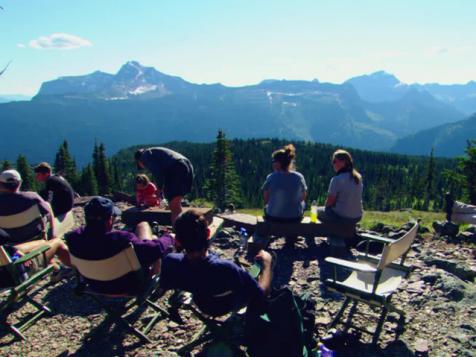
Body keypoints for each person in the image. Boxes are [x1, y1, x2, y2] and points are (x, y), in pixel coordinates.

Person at [159, 209, 273, 317]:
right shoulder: (226, 268)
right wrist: (267, 264)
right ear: (208, 233)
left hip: (203, 305)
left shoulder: (171, 261)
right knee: (259, 264)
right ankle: (259, 312)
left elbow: (166, 284)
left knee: (242, 275)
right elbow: (261, 294)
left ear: (177, 241)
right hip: (229, 305)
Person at [66, 196, 174, 294]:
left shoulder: (73, 238)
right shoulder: (121, 239)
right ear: (109, 220)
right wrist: (169, 237)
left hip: (95, 285)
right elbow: (153, 250)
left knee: (145, 238)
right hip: (128, 286)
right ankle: (158, 284)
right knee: (152, 238)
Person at [0, 169, 70, 268]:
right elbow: (46, 210)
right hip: (36, 240)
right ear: (19, 183)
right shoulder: (32, 197)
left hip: (12, 245)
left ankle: (52, 266)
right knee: (47, 207)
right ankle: (76, 268)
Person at [135, 147, 194, 223]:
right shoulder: (154, 152)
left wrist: (159, 190)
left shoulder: (145, 156)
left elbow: (158, 172)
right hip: (187, 165)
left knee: (174, 206)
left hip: (177, 168)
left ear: (139, 161)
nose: (145, 167)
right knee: (176, 204)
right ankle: (183, 228)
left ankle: (179, 232)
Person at [262, 144, 307, 223]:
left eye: (274, 161)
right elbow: (303, 197)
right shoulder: (299, 177)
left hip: (273, 217)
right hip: (295, 217)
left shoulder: (271, 177)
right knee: (303, 204)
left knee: (266, 208)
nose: (272, 163)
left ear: (278, 163)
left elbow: (266, 199)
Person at [318, 149, 363, 225]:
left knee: (317, 211)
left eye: (335, 161)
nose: (333, 164)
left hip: (342, 217)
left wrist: (326, 210)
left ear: (343, 162)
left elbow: (329, 202)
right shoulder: (358, 177)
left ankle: (334, 231)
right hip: (357, 217)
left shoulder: (336, 179)